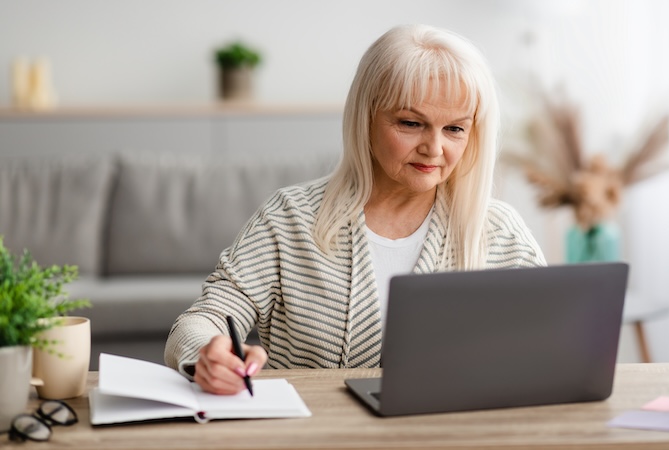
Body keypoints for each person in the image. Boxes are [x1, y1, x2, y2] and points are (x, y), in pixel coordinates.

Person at [165, 24, 546, 394]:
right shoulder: (288, 218)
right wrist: (206, 355)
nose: (434, 148)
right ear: (365, 118)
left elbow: (548, 342)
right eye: (412, 123)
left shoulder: (499, 231)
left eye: (455, 129)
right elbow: (202, 320)